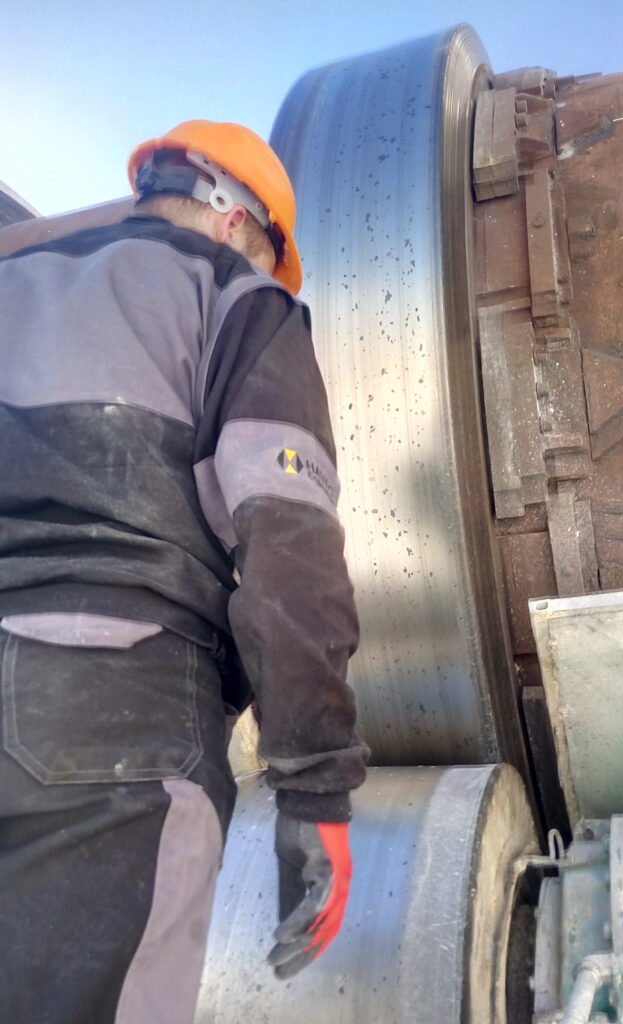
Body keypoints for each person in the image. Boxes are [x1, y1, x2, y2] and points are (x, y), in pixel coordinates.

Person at [0, 119, 368, 1024]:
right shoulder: (240, 299)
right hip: (114, 726)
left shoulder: (14, 282)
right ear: (244, 224)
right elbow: (288, 546)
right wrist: (316, 788)